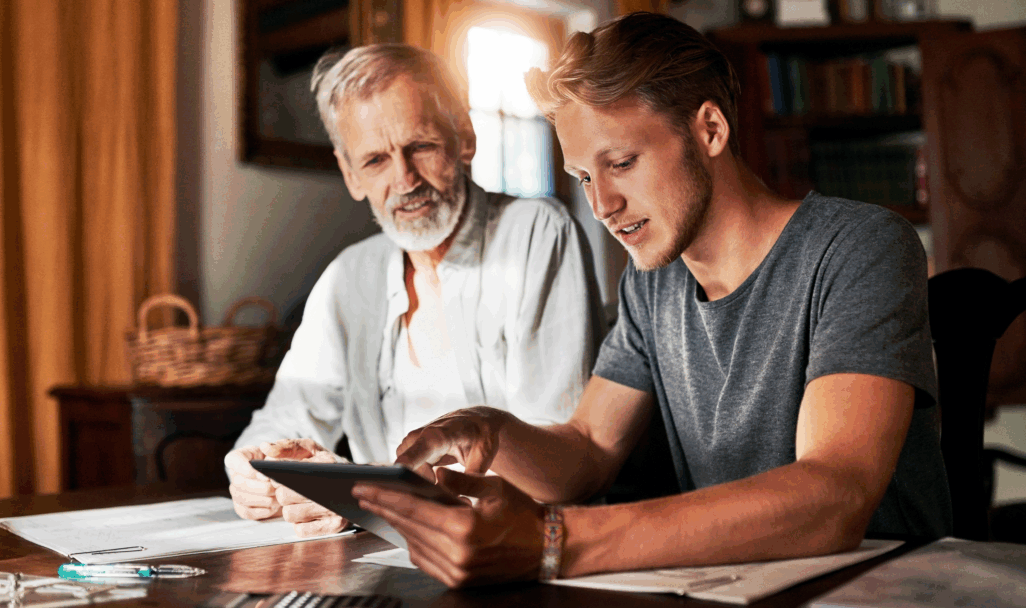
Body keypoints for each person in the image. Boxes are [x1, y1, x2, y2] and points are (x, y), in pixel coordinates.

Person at [352, 12, 952, 587]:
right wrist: (490, 429)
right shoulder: (651, 282)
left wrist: (552, 540)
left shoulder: (860, 247)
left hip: (878, 589)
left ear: (710, 129)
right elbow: (587, 449)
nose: (602, 205)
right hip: (733, 587)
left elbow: (833, 495)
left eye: (621, 163)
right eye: (585, 177)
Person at [225, 44, 604, 538]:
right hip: (390, 559)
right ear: (350, 174)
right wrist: (254, 471)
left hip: (522, 553)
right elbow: (283, 420)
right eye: (376, 159)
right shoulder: (348, 277)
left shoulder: (537, 233)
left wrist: (366, 494)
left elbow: (555, 470)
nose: (404, 179)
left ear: (464, 138)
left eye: (421, 146)